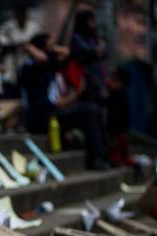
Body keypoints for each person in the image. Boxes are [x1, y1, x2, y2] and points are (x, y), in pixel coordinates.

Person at [20, 33, 109, 170]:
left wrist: (52, 48)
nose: (54, 49)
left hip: (54, 112)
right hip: (41, 117)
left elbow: (67, 53)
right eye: (49, 46)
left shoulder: (49, 67)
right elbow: (42, 58)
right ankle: (96, 159)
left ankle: (103, 155)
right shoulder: (31, 67)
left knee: (95, 110)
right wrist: (31, 47)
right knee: (89, 111)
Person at [0, 2, 41, 95]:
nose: (21, 14)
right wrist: (18, 45)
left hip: (29, 63)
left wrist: (28, 46)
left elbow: (39, 43)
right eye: (18, 11)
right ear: (14, 13)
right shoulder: (7, 27)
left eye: (23, 11)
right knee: (12, 89)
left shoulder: (34, 27)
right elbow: (1, 43)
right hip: (12, 62)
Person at [70, 10, 107, 103]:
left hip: (97, 78)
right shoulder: (77, 38)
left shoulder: (92, 38)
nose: (94, 23)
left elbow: (104, 51)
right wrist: (97, 50)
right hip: (83, 78)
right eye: (90, 20)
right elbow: (90, 51)